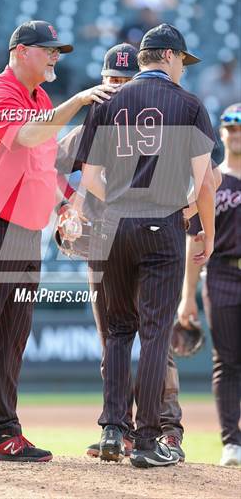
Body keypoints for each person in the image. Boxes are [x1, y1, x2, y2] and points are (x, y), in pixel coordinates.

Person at [0, 20, 115, 462]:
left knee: (14, 331)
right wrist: (77, 102)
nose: (56, 56)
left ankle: (4, 429)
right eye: (49, 50)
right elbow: (26, 136)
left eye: (59, 50)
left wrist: (64, 208)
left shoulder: (40, 97)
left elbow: (43, 166)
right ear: (21, 51)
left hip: (24, 228)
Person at [77, 23, 217, 468]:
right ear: (171, 57)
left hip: (111, 226)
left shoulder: (106, 103)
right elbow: (204, 183)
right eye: (182, 62)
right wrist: (206, 233)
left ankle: (113, 428)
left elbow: (91, 180)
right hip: (162, 225)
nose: (182, 69)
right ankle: (147, 439)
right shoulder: (189, 104)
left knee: (117, 331)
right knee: (155, 333)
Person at [55, 42, 187, 461]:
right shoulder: (92, 122)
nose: (116, 87)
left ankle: (166, 430)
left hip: (146, 237)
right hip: (102, 242)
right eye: (111, 79)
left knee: (155, 340)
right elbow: (48, 165)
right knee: (112, 336)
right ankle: (120, 427)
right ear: (101, 78)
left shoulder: (158, 120)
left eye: (124, 80)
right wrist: (65, 207)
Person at [178, 103, 241, 467]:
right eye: (229, 128)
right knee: (227, 361)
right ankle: (232, 442)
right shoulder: (212, 179)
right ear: (221, 133)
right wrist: (188, 297)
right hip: (222, 274)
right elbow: (196, 239)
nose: (235, 134)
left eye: (240, 128)